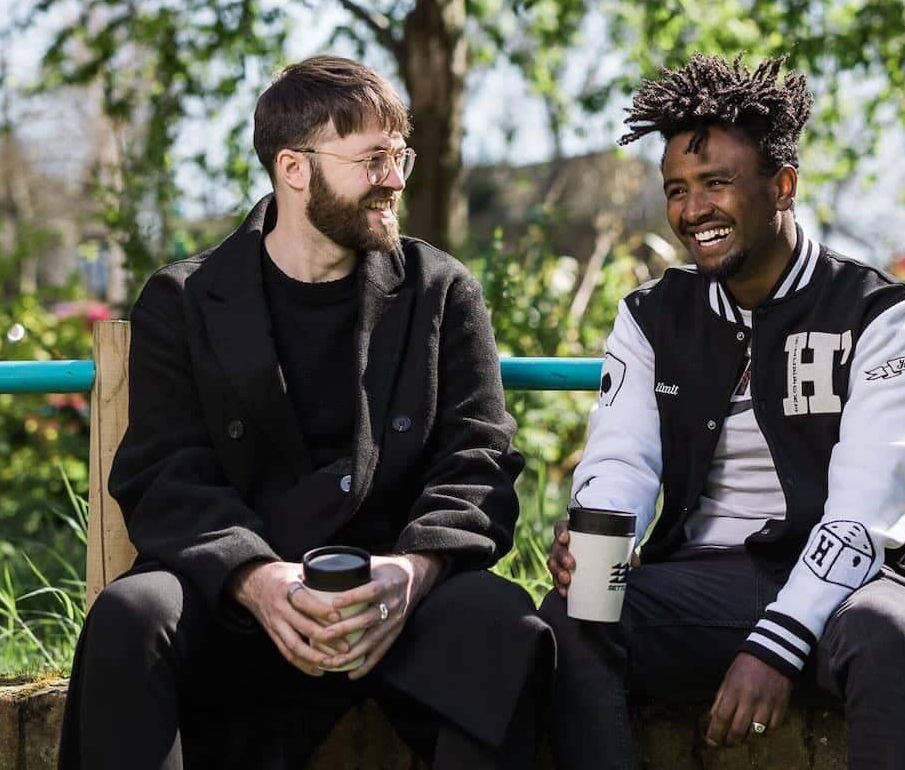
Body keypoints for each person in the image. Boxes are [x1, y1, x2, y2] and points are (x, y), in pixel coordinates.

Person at [62, 55, 548, 770]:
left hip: (397, 593)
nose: (395, 178)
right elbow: (165, 474)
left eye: (399, 154)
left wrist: (411, 574)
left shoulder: (439, 291)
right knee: (130, 617)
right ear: (294, 169)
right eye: (372, 158)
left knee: (508, 629)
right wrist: (257, 580)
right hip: (243, 596)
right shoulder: (187, 299)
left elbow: (477, 460)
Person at [540, 55, 905, 770]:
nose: (694, 211)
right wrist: (598, 535)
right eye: (678, 190)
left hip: (849, 581)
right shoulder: (651, 316)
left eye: (717, 183)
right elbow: (620, 457)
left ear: (782, 186)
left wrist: (777, 644)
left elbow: (864, 511)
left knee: (886, 633)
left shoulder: (882, 313)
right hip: (705, 581)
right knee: (571, 617)